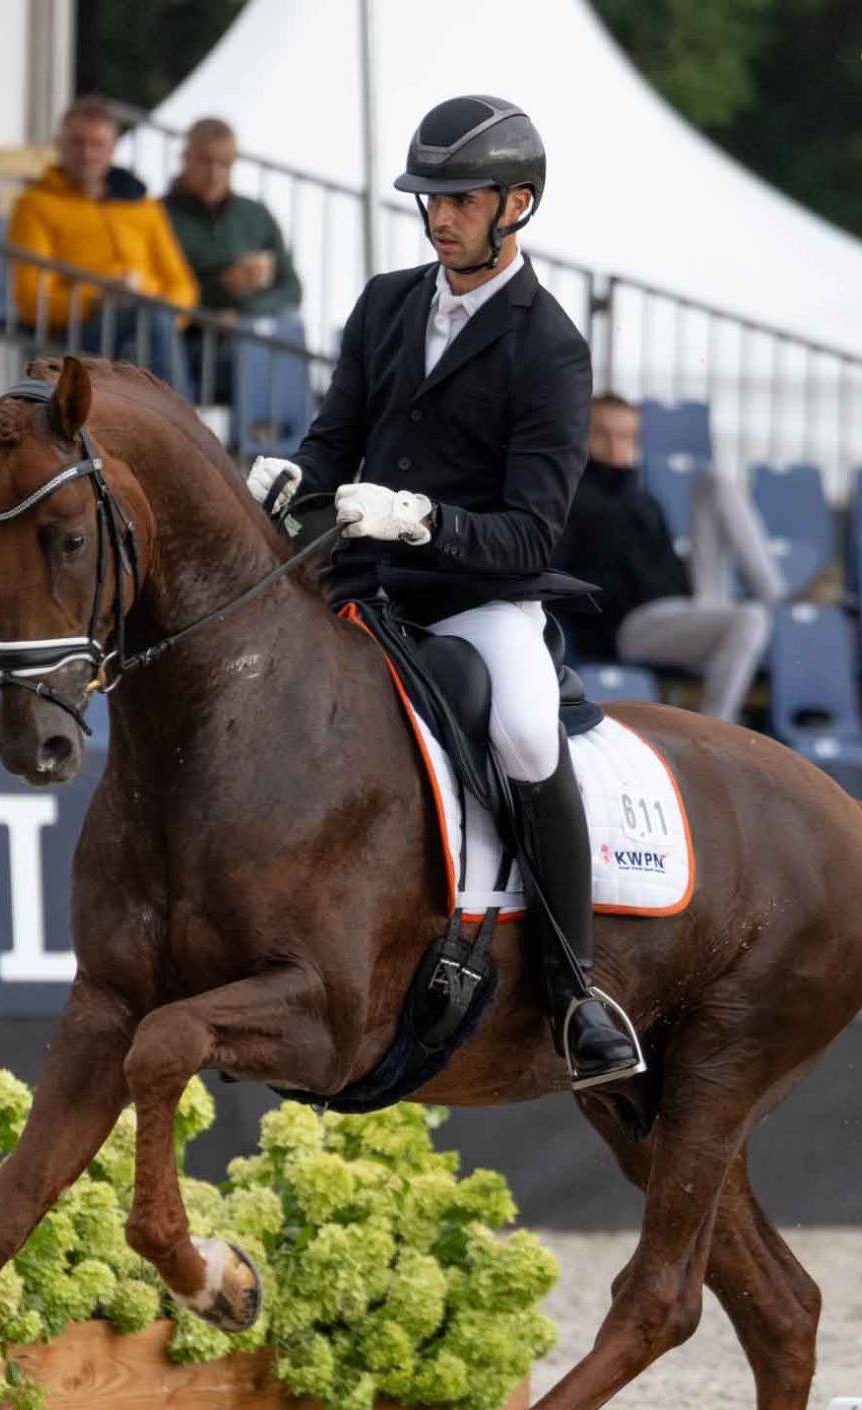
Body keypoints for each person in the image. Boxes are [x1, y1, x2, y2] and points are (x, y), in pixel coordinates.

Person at [247, 95, 639, 1088]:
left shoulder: (548, 346)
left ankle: (574, 989)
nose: (438, 216)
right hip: (359, 581)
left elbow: (529, 532)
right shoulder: (385, 304)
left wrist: (419, 519)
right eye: (430, 199)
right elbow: (335, 438)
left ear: (516, 205)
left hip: (475, 595)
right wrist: (296, 476)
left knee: (522, 733)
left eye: (458, 199)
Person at [553, 392, 781, 725]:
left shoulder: (645, 499)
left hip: (685, 607)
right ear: (582, 435)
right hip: (632, 623)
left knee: (713, 481)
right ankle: (715, 727)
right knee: (751, 619)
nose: (615, 445)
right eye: (602, 434)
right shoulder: (571, 497)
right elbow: (562, 575)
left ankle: (777, 594)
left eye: (626, 436)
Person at [8, 96, 198, 345]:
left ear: (112, 149)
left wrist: (162, 317)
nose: (87, 154)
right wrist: (96, 300)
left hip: (149, 325)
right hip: (79, 330)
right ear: (59, 145)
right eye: (77, 143)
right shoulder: (34, 205)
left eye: (96, 145)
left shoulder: (143, 205)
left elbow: (182, 286)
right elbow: (31, 300)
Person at [162, 117, 302, 321]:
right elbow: (162, 293)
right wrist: (224, 286)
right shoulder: (161, 215)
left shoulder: (256, 215)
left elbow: (292, 289)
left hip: (253, 329)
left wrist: (246, 315)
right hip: (193, 334)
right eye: (205, 161)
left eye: (224, 164)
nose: (214, 173)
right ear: (186, 158)